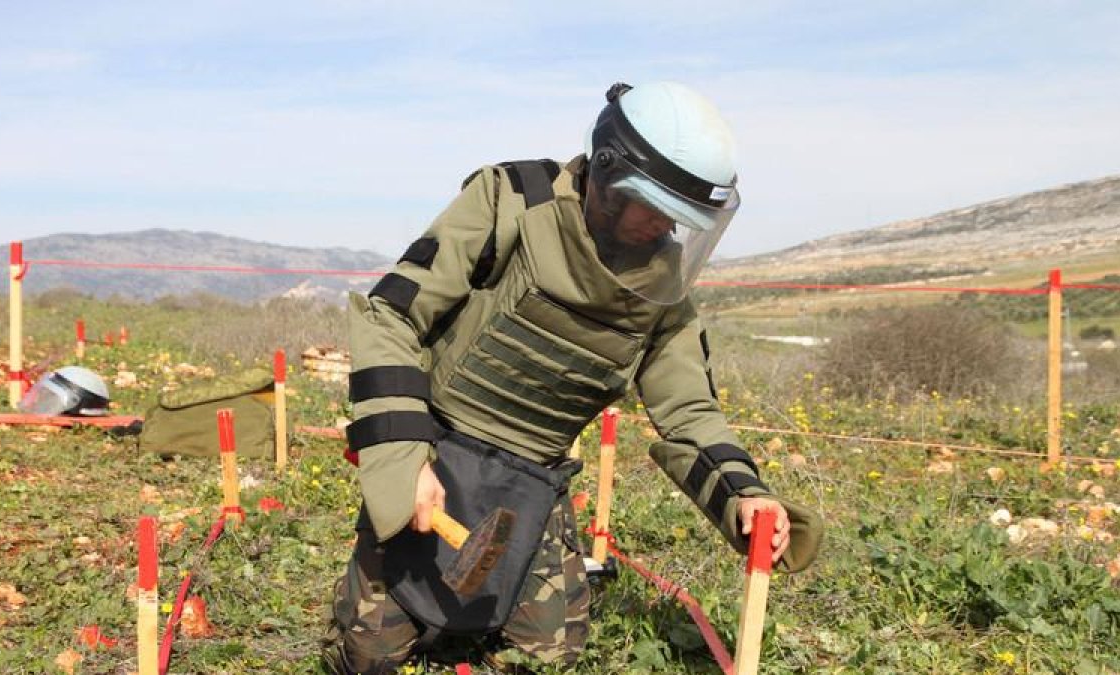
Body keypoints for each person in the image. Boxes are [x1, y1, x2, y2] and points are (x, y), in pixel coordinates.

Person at [322, 81, 822, 674]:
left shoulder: (663, 285)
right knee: (366, 660)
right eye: (656, 209)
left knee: (548, 658)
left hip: (533, 478)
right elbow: (391, 315)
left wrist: (746, 494)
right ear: (609, 178)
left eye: (680, 220)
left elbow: (688, 409)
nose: (664, 231)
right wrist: (405, 462)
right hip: (437, 447)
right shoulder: (509, 201)